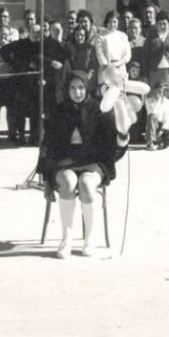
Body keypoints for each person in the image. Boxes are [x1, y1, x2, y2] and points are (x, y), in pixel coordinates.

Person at [37, 70, 129, 259]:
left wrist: (123, 136)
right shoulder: (58, 111)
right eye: (72, 88)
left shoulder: (100, 109)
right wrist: (46, 180)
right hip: (64, 162)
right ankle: (67, 239)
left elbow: (114, 143)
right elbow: (47, 147)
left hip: (93, 162)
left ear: (87, 88)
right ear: (67, 89)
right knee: (69, 182)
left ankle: (90, 238)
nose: (77, 92)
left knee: (87, 184)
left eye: (81, 87)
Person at [0, 23, 42, 145]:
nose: (35, 35)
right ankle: (21, 137)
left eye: (38, 33)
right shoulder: (21, 43)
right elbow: (3, 50)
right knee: (21, 112)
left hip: (35, 83)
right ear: (29, 33)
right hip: (21, 82)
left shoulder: (41, 45)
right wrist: (14, 63)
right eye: (33, 33)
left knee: (35, 112)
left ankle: (34, 138)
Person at [95, 10, 131, 87]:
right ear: (106, 22)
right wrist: (108, 66)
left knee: (120, 93)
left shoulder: (123, 36)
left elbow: (127, 55)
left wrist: (118, 64)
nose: (112, 24)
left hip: (120, 69)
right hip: (106, 69)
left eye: (114, 22)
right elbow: (99, 54)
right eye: (110, 22)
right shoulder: (100, 36)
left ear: (118, 22)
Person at [145, 81, 169, 151]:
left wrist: (162, 130)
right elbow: (152, 112)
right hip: (153, 124)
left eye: (161, 91)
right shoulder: (149, 100)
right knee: (152, 116)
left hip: (162, 125)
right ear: (154, 90)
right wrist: (157, 100)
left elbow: (168, 117)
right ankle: (150, 143)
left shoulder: (167, 102)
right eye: (157, 90)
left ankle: (162, 143)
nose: (159, 92)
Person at [67, 25, 99, 91]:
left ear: (85, 36)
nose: (79, 37)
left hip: (87, 79)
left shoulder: (90, 48)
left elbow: (94, 64)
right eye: (77, 35)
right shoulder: (70, 47)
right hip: (73, 79)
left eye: (82, 35)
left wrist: (89, 75)